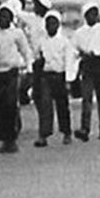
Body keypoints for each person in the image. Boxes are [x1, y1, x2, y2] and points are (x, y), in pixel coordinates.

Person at [0, 4, 31, 154]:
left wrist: (29, 68)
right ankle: (4, 138)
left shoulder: (17, 33)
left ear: (11, 19)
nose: (2, 20)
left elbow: (25, 50)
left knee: (10, 104)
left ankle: (11, 139)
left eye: (5, 17)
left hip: (11, 71)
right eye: (0, 17)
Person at [36, 11, 75, 147]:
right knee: (45, 105)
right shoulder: (42, 41)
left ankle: (66, 132)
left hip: (59, 75)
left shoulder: (64, 42)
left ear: (58, 25)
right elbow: (38, 56)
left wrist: (68, 80)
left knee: (62, 105)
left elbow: (69, 61)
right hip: (46, 75)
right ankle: (44, 134)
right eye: (48, 24)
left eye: (53, 24)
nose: (50, 27)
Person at [73, 2, 100, 142]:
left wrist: (99, 53)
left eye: (95, 13)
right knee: (86, 98)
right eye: (89, 14)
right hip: (87, 65)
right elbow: (74, 49)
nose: (92, 17)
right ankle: (85, 128)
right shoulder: (80, 32)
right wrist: (81, 54)